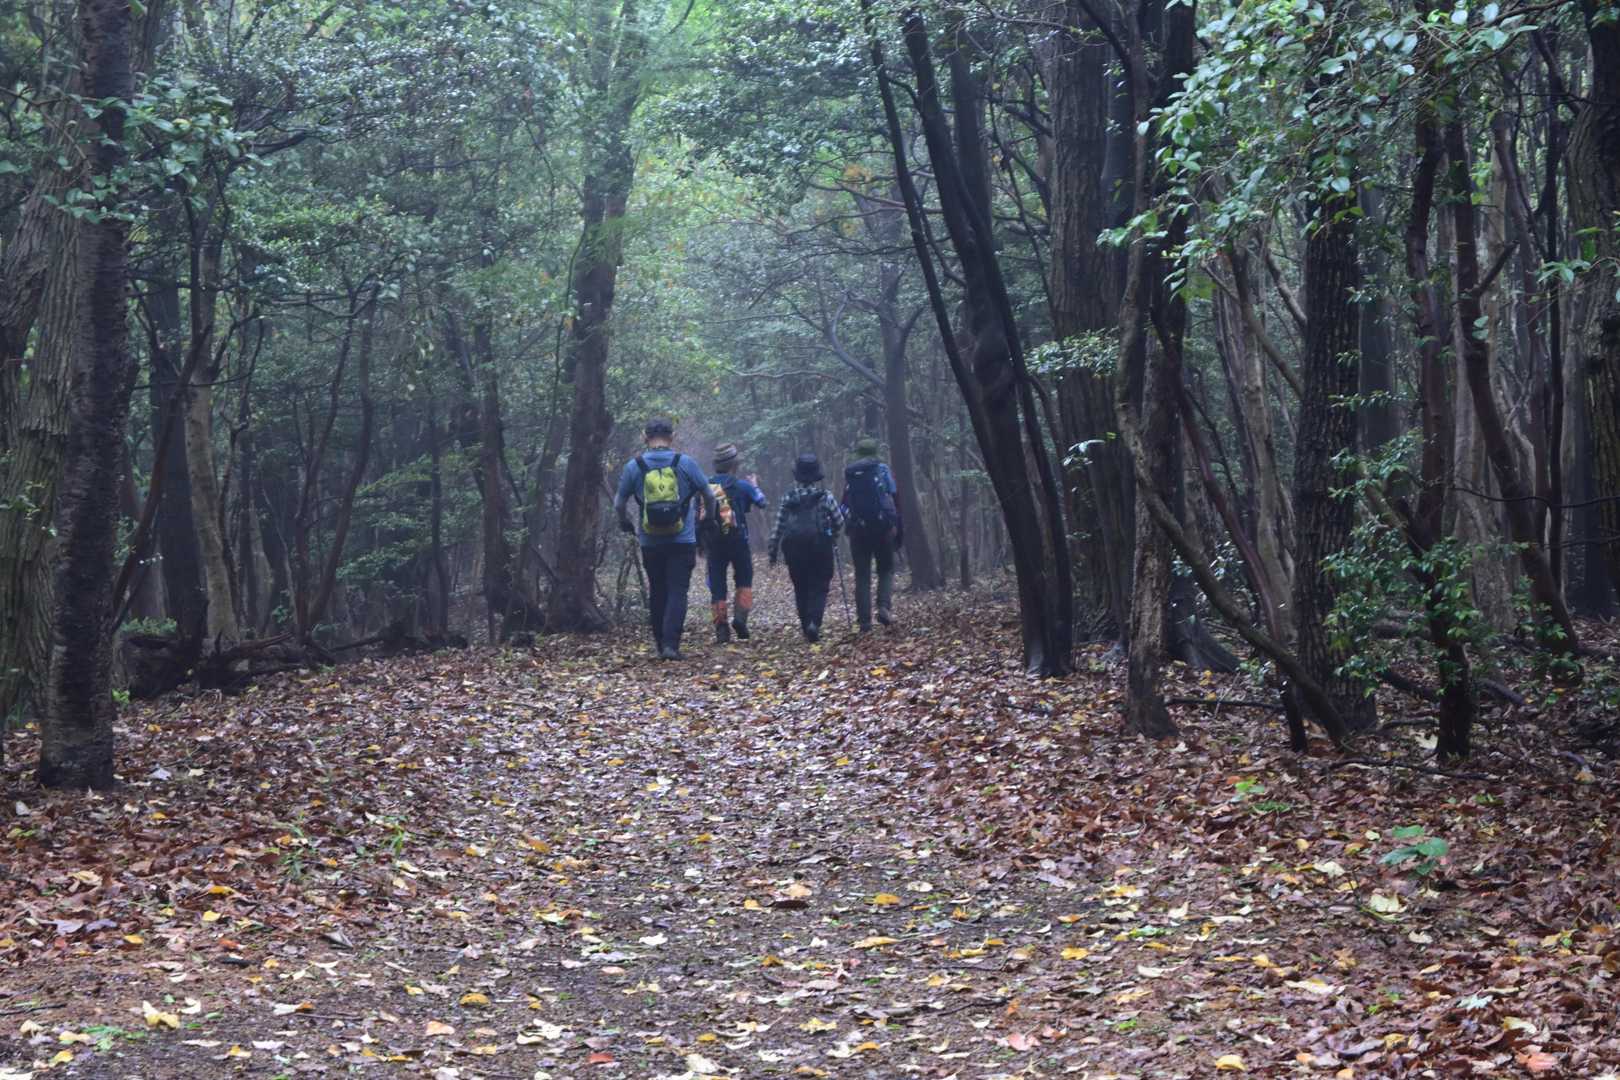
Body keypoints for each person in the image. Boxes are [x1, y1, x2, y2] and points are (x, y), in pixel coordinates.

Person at [613, 418, 716, 660]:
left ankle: (660, 645)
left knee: (657, 589)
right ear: (672, 437)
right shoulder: (685, 463)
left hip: (650, 541)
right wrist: (707, 520)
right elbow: (709, 496)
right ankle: (671, 645)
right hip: (683, 540)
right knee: (678, 590)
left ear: (645, 437)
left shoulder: (634, 466)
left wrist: (625, 522)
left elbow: (619, 503)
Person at [768, 453, 845, 643]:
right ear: (816, 475)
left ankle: (805, 626)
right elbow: (839, 521)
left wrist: (773, 550)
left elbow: (779, 526)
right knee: (820, 586)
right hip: (821, 547)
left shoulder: (789, 497)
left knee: (800, 587)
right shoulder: (825, 496)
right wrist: (833, 537)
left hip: (794, 549)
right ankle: (814, 623)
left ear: (798, 475)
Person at [704, 442, 768, 643]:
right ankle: (740, 619)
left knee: (717, 584)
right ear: (735, 464)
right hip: (739, 540)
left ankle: (721, 628)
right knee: (744, 579)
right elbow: (762, 502)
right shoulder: (742, 486)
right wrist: (754, 485)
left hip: (714, 542)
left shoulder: (707, 486)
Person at [841, 435, 902, 631]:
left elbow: (844, 503)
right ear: (875, 452)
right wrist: (895, 523)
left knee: (862, 575)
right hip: (882, 528)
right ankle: (883, 607)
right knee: (885, 569)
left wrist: (849, 525)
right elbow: (894, 496)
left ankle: (864, 622)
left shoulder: (851, 473)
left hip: (858, 530)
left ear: (858, 453)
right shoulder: (882, 469)